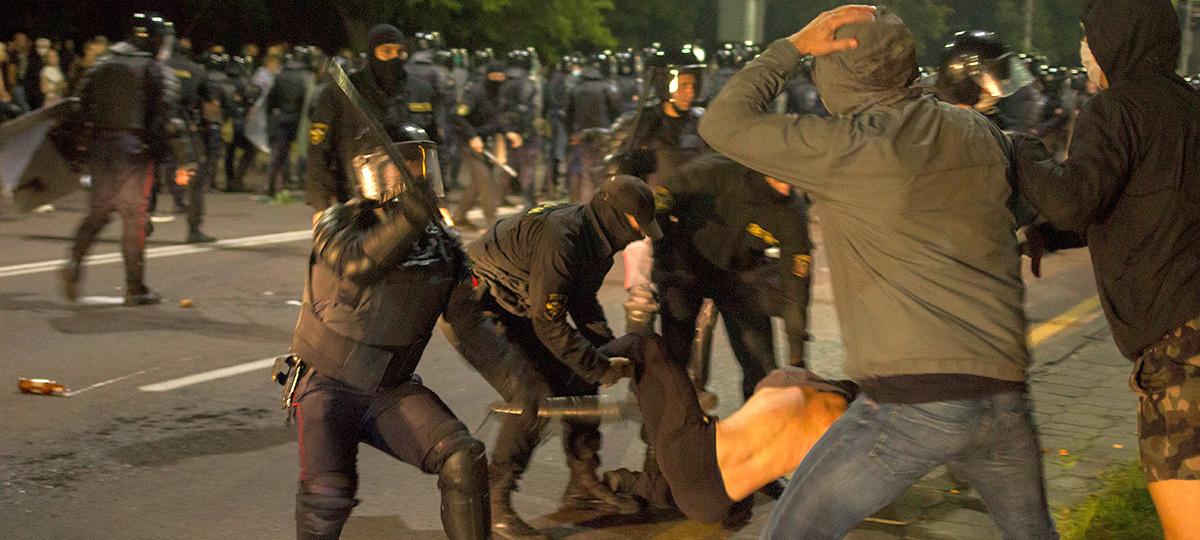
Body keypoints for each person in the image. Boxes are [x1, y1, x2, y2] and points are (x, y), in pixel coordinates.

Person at [699, 6, 1058, 539]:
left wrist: (793, 47)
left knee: (792, 532)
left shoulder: (845, 146)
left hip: (914, 404)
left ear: (836, 74)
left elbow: (722, 123)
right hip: (1004, 395)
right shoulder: (979, 133)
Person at [1009, 1, 1200, 538]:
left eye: (1088, 36)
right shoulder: (1188, 104)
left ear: (1118, 38)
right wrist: (1052, 235)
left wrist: (1020, 150)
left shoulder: (1116, 108)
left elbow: (1073, 200)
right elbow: (1151, 206)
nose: (1085, 51)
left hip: (1180, 351)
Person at [289, 125, 490, 540]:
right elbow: (359, 265)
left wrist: (522, 386)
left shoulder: (442, 244)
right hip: (328, 386)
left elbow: (471, 329)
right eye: (406, 166)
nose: (418, 175)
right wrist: (411, 216)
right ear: (374, 171)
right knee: (327, 497)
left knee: (463, 459)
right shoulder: (339, 222)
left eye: (422, 165)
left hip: (390, 388)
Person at [461, 176, 658, 538]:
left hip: (520, 303)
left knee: (579, 372)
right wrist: (599, 367)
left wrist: (606, 350)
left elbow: (582, 301)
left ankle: (583, 482)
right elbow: (548, 322)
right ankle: (494, 500)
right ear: (613, 215)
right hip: (477, 308)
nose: (639, 235)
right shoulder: (562, 237)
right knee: (530, 395)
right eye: (635, 225)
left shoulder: (594, 239)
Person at [594, 334, 854, 525]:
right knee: (698, 485)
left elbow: (767, 388)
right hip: (710, 507)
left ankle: (589, 365)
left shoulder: (797, 385)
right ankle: (628, 482)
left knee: (646, 345)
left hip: (693, 452)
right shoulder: (843, 436)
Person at [653, 152, 814, 401]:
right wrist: (666, 259)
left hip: (738, 275)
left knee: (762, 370)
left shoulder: (792, 212)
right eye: (778, 178)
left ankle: (760, 419)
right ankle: (668, 418)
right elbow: (658, 206)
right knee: (674, 358)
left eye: (791, 180)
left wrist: (797, 357)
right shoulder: (715, 172)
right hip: (686, 267)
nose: (785, 187)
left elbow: (796, 286)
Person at [61, 12, 185, 306]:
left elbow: (78, 106)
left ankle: (74, 262)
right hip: (134, 151)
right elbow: (167, 119)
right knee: (134, 219)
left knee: (99, 212)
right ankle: (135, 288)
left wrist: (78, 150)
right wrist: (181, 157)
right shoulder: (155, 70)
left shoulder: (102, 63)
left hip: (101, 148)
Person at [305, 24, 439, 212]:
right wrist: (322, 205)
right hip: (356, 201)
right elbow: (318, 153)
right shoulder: (341, 93)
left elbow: (433, 149)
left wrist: (439, 202)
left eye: (400, 52)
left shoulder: (421, 91)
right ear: (372, 53)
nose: (394, 57)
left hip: (413, 201)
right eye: (387, 51)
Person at [448, 62, 510, 229]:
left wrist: (506, 135)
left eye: (501, 77)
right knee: (485, 179)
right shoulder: (475, 92)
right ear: (487, 76)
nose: (498, 80)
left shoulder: (499, 95)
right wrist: (472, 136)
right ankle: (493, 224)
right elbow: (457, 116)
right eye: (494, 77)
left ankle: (459, 216)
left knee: (477, 182)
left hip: (486, 143)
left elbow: (497, 121)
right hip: (468, 142)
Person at [563, 52, 620, 202]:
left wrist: (570, 134)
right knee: (605, 170)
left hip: (582, 134)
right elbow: (617, 111)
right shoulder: (608, 86)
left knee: (585, 170)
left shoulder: (576, 88)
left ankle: (582, 203)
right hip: (606, 134)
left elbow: (567, 114)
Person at [264, 46, 311, 196]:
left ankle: (273, 183)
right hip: (300, 119)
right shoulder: (307, 76)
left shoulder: (281, 75)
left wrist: (271, 116)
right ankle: (299, 181)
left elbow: (271, 99)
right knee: (303, 150)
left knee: (280, 151)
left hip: (282, 116)